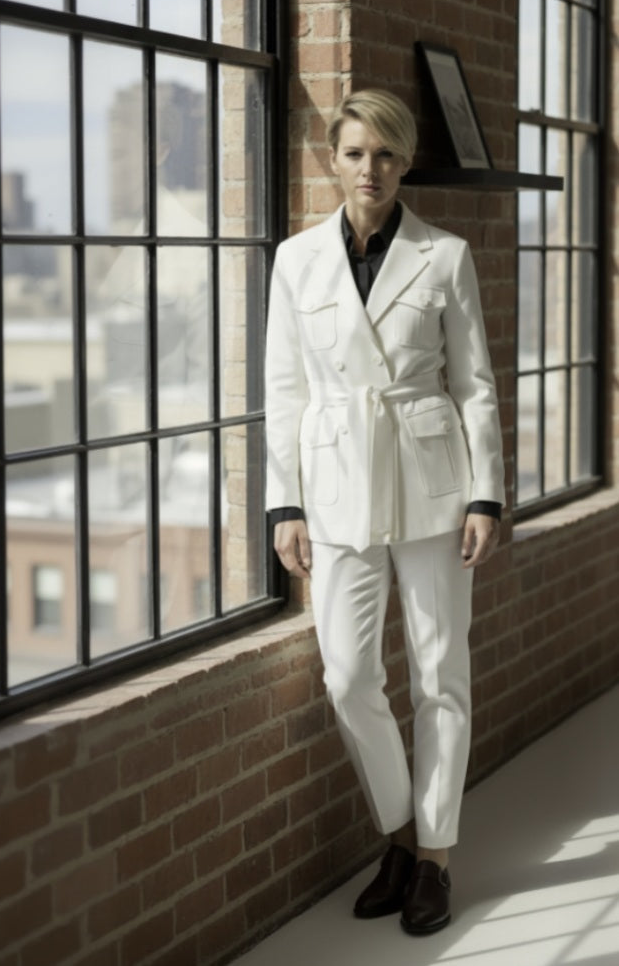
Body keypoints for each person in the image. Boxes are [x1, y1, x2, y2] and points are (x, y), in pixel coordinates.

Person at [264, 88, 505, 936]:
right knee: (349, 675)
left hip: (433, 479)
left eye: (388, 155)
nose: (372, 169)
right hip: (335, 488)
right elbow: (283, 388)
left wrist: (486, 494)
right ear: (335, 157)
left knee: (442, 672)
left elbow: (474, 383)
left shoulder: (445, 256)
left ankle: (435, 856)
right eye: (357, 152)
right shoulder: (296, 261)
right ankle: (398, 835)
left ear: (405, 164)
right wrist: (283, 501)